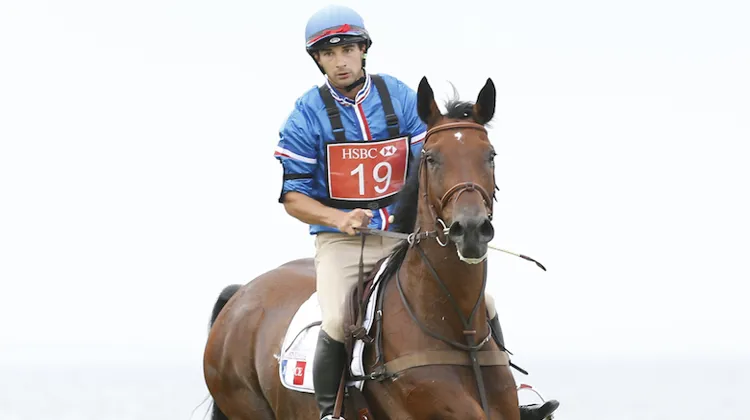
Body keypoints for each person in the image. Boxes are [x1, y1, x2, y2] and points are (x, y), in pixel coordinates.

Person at [273, 5, 559, 420]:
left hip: (405, 238)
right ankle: (328, 413)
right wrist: (339, 219)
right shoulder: (305, 115)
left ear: (363, 50)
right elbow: (293, 198)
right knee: (335, 318)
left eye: (348, 50)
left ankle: (511, 389)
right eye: (329, 54)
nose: (340, 62)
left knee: (485, 300)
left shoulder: (399, 97)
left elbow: (438, 158)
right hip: (342, 242)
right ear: (317, 60)